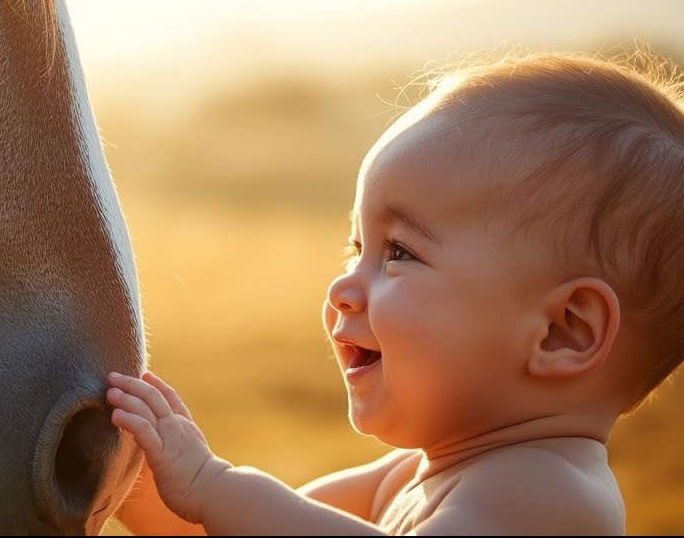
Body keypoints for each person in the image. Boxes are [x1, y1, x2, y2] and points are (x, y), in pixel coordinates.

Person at [108, 52, 684, 535]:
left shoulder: (552, 494)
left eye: (400, 252)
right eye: (355, 247)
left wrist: (216, 486)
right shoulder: (408, 476)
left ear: (564, 331)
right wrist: (137, 474)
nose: (342, 288)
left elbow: (242, 515)